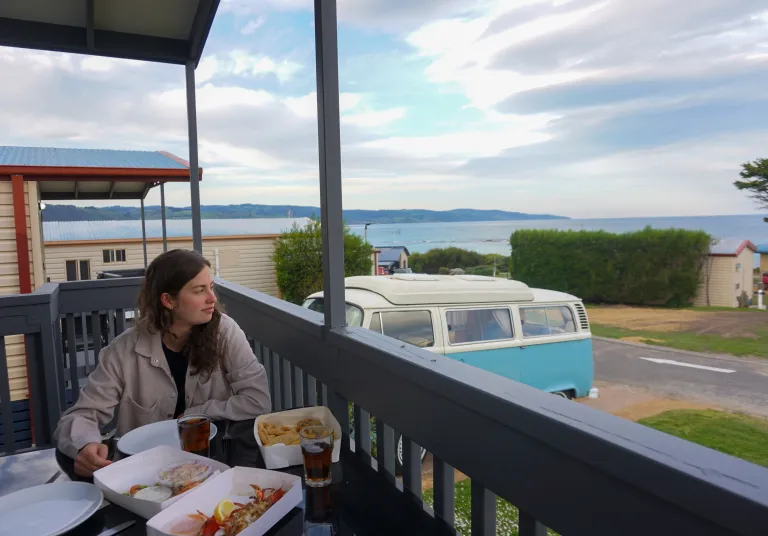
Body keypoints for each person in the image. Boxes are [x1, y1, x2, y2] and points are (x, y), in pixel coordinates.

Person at [54, 249, 272, 477]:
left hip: (212, 469)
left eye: (211, 287)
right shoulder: (124, 350)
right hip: (146, 477)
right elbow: (81, 416)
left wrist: (196, 414)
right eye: (200, 290)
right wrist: (84, 445)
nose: (212, 298)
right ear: (168, 300)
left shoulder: (225, 333)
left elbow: (257, 400)